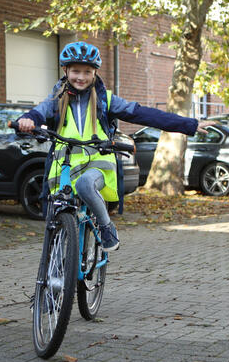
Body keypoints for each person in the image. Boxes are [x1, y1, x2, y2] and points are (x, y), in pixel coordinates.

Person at [17, 41, 213, 252]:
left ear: (94, 73)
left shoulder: (104, 100)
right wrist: (27, 120)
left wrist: (189, 124)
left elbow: (143, 114)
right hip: (64, 166)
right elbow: (37, 113)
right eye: (75, 71)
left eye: (87, 72)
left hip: (97, 165)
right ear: (65, 70)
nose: (81, 77)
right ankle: (59, 263)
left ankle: (105, 225)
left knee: (84, 184)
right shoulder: (56, 99)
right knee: (57, 212)